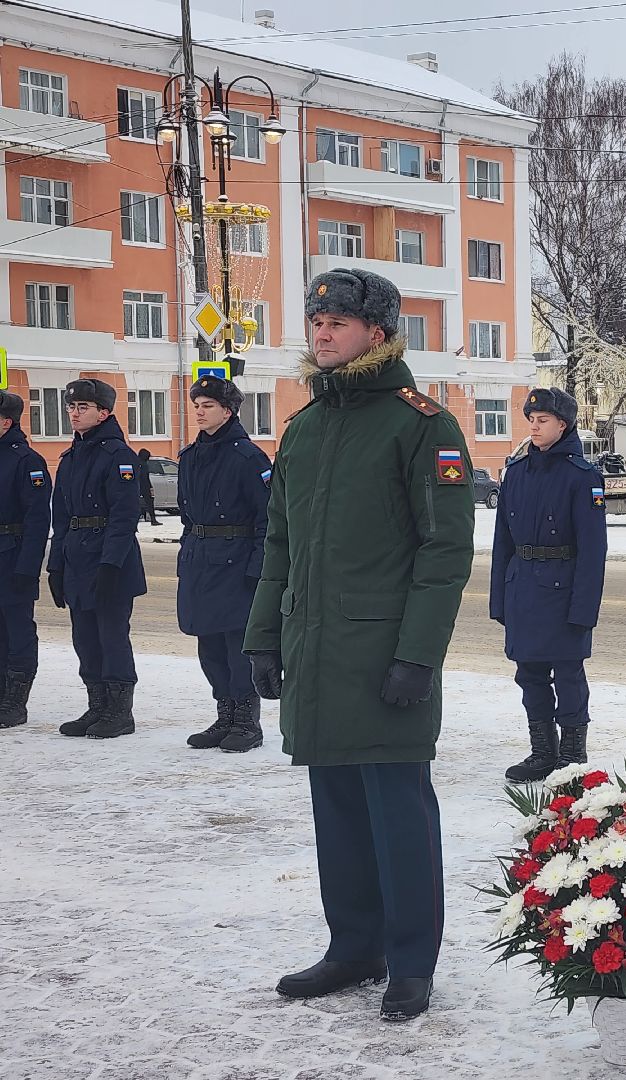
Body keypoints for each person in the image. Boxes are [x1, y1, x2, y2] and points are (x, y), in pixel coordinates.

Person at [244, 267, 475, 1020]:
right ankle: (354, 948)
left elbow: (443, 553)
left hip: (384, 660)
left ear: (375, 332)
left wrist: (417, 655)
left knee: (398, 816)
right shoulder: (306, 427)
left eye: (338, 323)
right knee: (337, 810)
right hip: (317, 654)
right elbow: (278, 543)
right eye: (317, 323)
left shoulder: (422, 425)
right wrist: (263, 638)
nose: (323, 333)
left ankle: (411, 961)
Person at [492, 386, 608, 783]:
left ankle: (572, 755)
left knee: (568, 675)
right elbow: (502, 542)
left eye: (543, 421)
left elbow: (593, 551)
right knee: (529, 674)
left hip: (562, 591)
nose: (535, 427)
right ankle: (542, 751)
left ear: (564, 424)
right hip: (523, 588)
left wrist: (584, 609)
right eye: (532, 420)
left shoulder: (582, 476)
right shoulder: (517, 473)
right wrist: (499, 599)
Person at [178, 376, 271, 753]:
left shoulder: (249, 458)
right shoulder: (189, 457)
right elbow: (187, 516)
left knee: (237, 646)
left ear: (228, 411)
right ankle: (225, 714)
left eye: (208, 406)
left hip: (236, 563)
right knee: (208, 643)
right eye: (197, 405)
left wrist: (257, 568)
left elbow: (268, 518)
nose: (200, 412)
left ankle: (247, 721)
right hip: (201, 561)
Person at [49, 379, 146, 739]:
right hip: (77, 558)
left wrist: (110, 565)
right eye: (72, 408)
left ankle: (120, 712)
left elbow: (123, 517)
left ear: (103, 412)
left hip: (109, 560)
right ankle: (98, 705)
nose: (75, 413)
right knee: (85, 638)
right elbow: (62, 518)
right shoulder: (71, 455)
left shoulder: (118, 456)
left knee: (111, 637)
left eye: (83, 408)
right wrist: (55, 565)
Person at [0, 390, 52, 728]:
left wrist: (27, 568)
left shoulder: (26, 460)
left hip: (12, 556)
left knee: (17, 631)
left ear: (5, 422)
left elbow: (37, 520)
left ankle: (15, 701)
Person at [136, 448, 161, 525]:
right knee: (149, 503)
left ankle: (139, 518)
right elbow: (145, 477)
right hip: (144, 486)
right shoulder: (144, 464)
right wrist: (150, 487)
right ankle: (153, 519)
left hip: (138, 487)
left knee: (138, 504)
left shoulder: (135, 463)